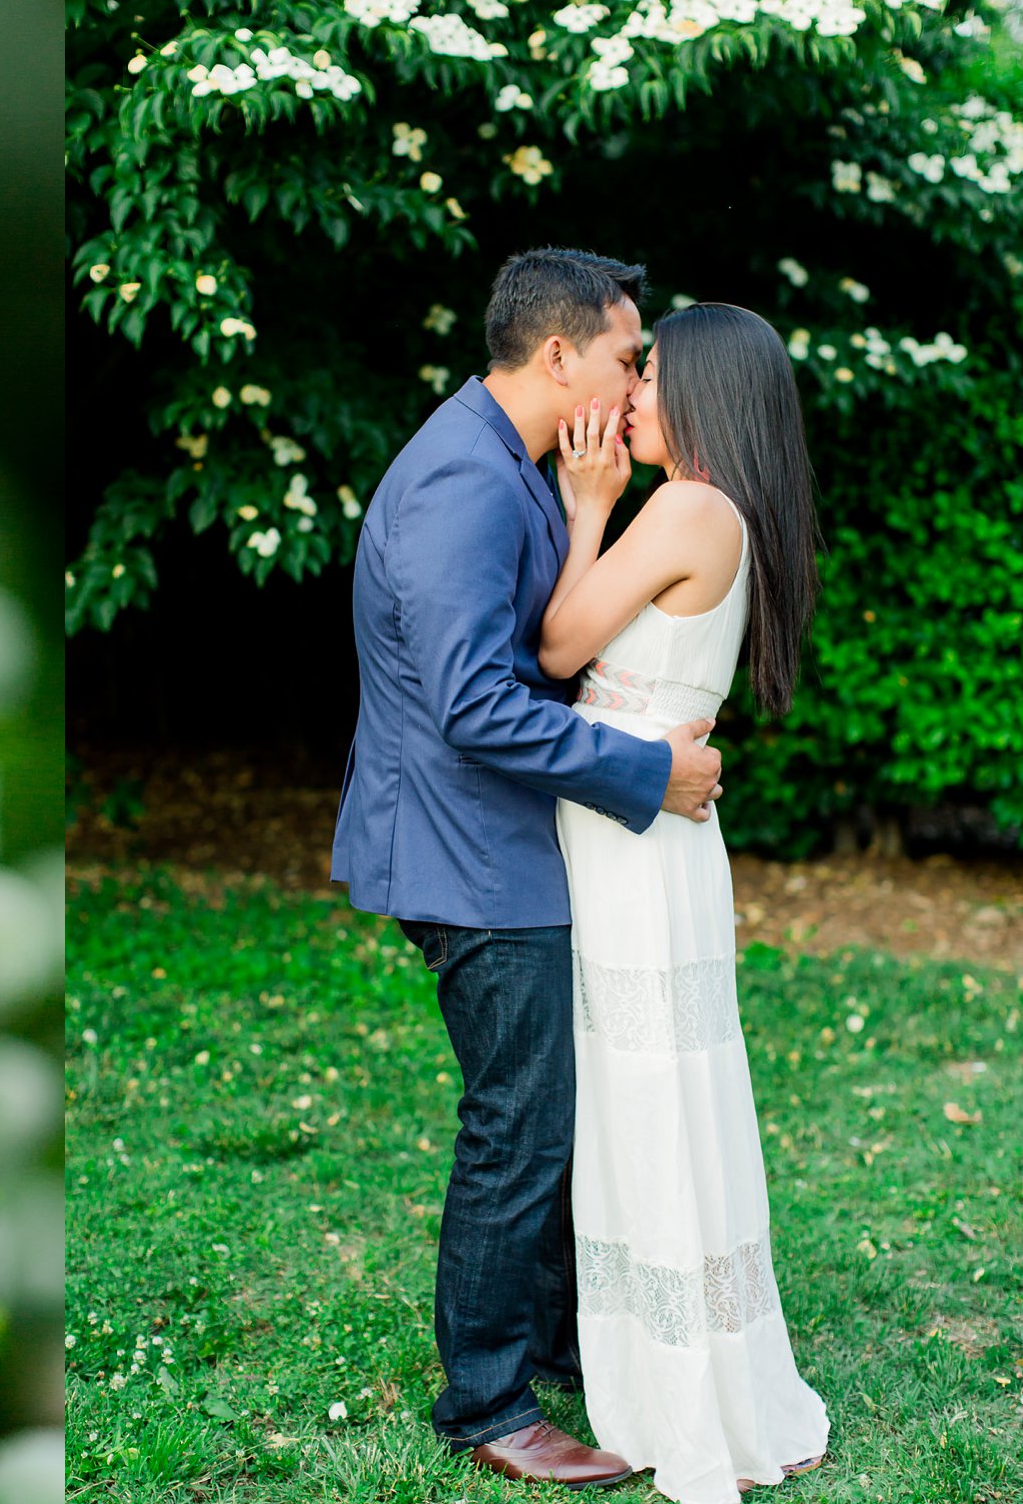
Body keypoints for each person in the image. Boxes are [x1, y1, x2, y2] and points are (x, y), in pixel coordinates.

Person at [331, 246, 722, 1487]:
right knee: (515, 1125)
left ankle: (554, 1341)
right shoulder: (464, 480)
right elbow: (469, 704)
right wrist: (639, 770)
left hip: (490, 841)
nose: (633, 372)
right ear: (557, 356)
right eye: (623, 353)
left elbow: (535, 655)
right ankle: (491, 1402)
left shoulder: (506, 463)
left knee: (542, 1113)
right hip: (463, 853)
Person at [540, 301, 830, 1500]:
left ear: (705, 394)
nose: (633, 395)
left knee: (644, 1094)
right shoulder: (725, 511)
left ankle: (674, 1379)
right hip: (652, 834)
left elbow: (560, 646)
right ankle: (683, 1355)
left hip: (631, 843)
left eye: (652, 376)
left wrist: (586, 507)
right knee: (661, 1088)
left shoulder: (683, 506)